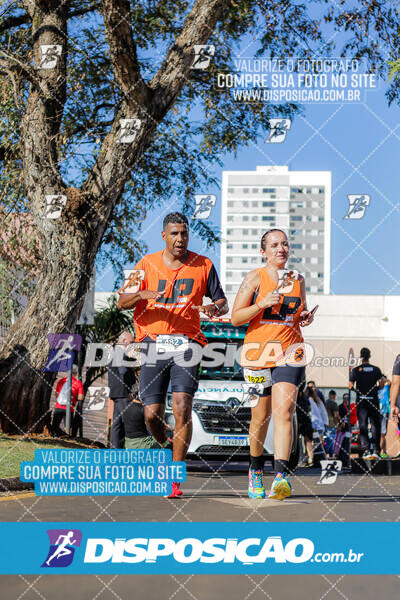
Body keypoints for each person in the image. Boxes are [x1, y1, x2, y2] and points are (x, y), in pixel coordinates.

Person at [117, 212, 228, 498]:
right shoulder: (146, 264)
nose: (181, 239)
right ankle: (169, 445)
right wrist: (144, 295)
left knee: (181, 407)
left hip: (188, 343)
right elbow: (121, 302)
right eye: (175, 234)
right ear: (164, 236)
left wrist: (215, 308)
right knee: (151, 415)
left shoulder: (203, 265)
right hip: (152, 343)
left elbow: (221, 302)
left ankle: (174, 477)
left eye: (184, 233)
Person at [231, 228, 315, 500]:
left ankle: (280, 476)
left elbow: (296, 311)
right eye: (275, 245)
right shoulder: (254, 277)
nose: (281, 249)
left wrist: (303, 316)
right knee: (261, 416)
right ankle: (255, 470)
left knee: (286, 410)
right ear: (263, 251)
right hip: (258, 353)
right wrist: (260, 304)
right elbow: (235, 318)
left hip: (290, 351)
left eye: (285, 244)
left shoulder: (298, 279)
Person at [349, 347, 383, 459]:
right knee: (375, 426)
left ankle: (366, 450)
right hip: (373, 400)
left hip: (361, 401)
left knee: (363, 426)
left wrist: (358, 392)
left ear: (361, 357)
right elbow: (381, 384)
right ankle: (376, 450)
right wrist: (374, 390)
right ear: (370, 356)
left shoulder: (356, 370)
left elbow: (350, 386)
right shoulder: (376, 369)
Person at [107, 331, 137, 449]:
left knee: (117, 422)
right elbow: (123, 371)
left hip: (117, 391)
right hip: (123, 391)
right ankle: (122, 449)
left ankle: (115, 449)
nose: (133, 345)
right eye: (131, 342)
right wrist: (131, 391)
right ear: (124, 341)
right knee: (127, 422)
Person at [51, 365, 84, 436]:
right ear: (76, 373)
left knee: (55, 426)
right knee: (68, 428)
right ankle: (67, 440)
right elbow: (80, 397)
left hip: (58, 407)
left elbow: (56, 394)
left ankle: (55, 439)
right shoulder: (78, 383)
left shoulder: (61, 381)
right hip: (69, 409)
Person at [307, 385, 328, 460]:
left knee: (316, 443)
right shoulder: (316, 401)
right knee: (319, 444)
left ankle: (317, 458)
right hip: (320, 425)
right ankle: (321, 458)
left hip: (316, 425)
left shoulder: (309, 400)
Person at [296, 383, 314, 466]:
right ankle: (310, 459)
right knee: (308, 441)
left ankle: (301, 459)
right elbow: (309, 408)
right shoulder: (305, 397)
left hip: (300, 420)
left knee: (298, 441)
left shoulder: (297, 396)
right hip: (306, 419)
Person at [335, 392, 351, 468]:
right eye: (345, 398)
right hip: (342, 428)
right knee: (342, 445)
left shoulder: (351, 407)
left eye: (348, 398)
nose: (346, 400)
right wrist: (341, 422)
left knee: (347, 445)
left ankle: (346, 461)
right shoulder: (340, 407)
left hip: (349, 427)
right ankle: (341, 461)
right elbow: (337, 416)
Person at [378, 375, 391, 458]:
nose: (381, 381)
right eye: (380, 380)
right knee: (377, 433)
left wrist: (385, 379)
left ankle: (384, 451)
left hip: (384, 413)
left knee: (383, 434)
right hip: (376, 413)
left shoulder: (386, 388)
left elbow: (390, 382)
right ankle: (378, 451)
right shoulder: (375, 390)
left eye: (382, 380)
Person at [325, 390, 339, 457]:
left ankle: (330, 455)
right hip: (332, 424)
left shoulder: (325, 402)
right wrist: (340, 422)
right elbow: (336, 415)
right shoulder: (333, 403)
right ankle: (326, 454)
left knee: (329, 440)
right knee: (331, 441)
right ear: (334, 396)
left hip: (325, 424)